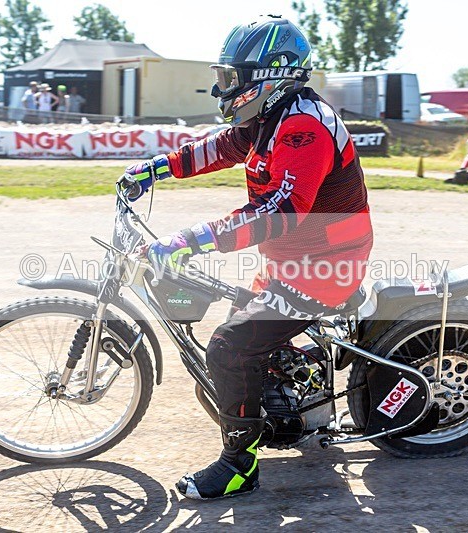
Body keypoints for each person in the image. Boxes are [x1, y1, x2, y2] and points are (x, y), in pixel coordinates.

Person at [121, 17, 373, 501]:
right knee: (242, 337)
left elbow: (280, 211)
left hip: (325, 265)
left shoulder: (304, 129)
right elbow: (220, 146)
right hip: (291, 260)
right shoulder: (269, 117)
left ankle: (240, 466)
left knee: (228, 348)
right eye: (223, 77)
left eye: (231, 78)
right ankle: (298, 396)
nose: (222, 89)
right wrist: (156, 168)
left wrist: (188, 239)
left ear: (271, 76)